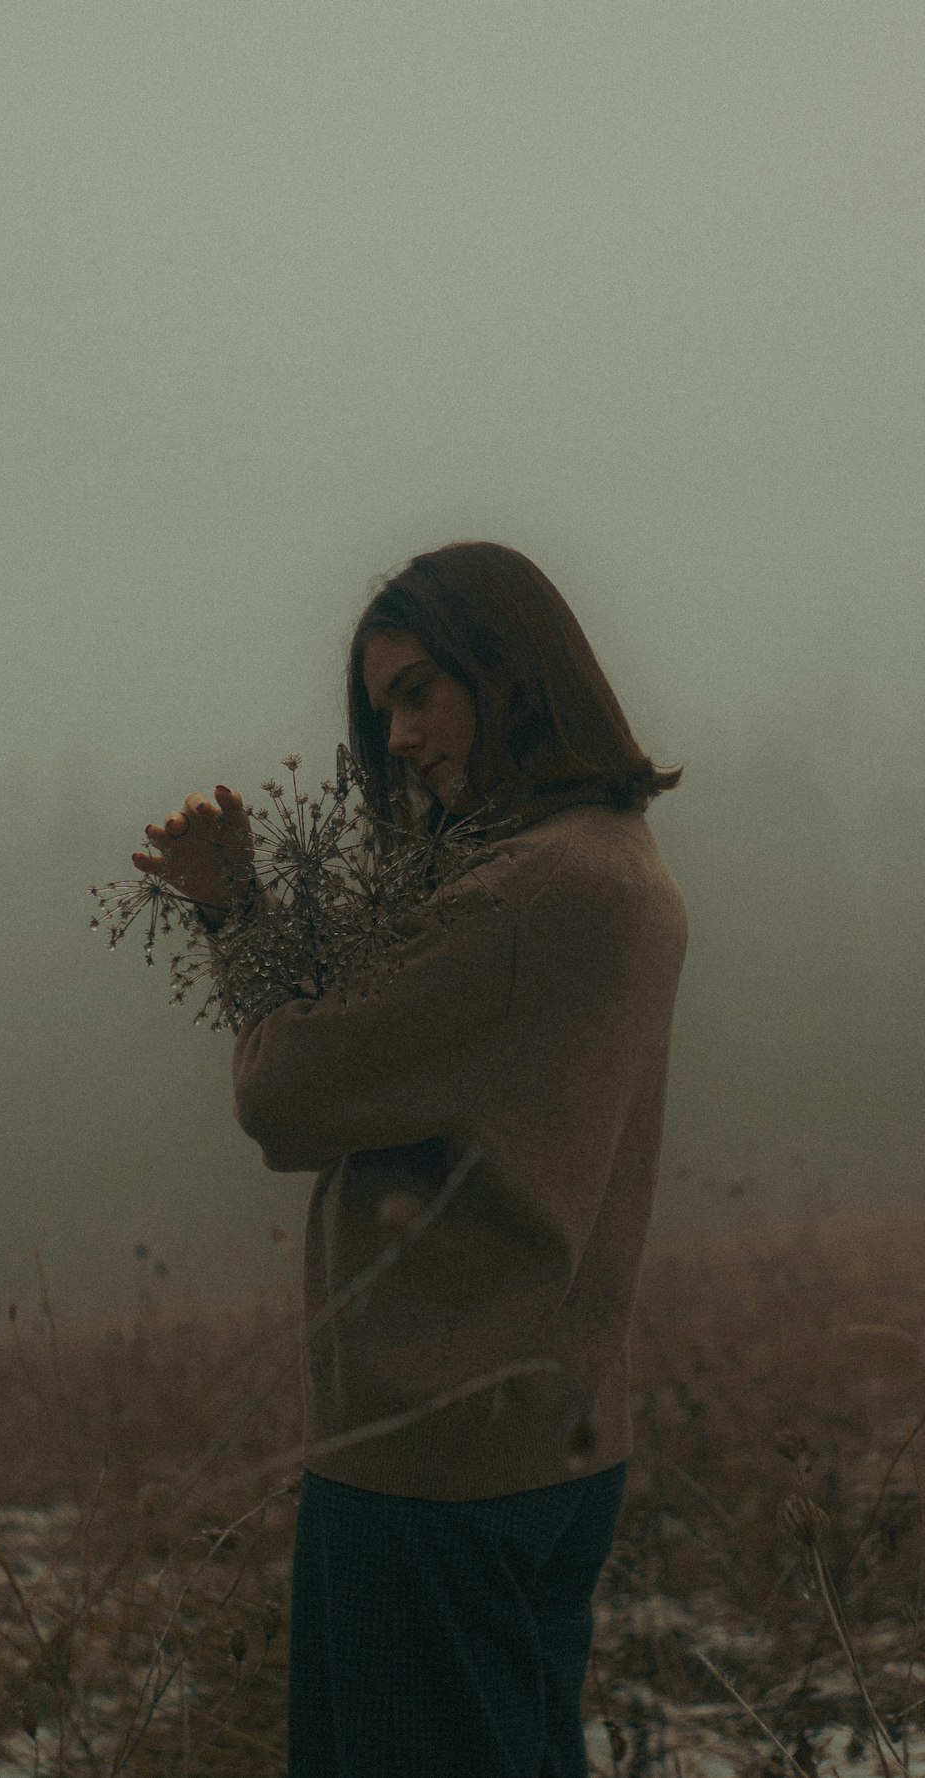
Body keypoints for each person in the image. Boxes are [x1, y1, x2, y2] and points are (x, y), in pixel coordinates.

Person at [133, 541, 689, 1778]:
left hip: (437, 1460)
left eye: (418, 689)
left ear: (514, 672)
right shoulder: (612, 862)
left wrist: (234, 915)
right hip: (540, 1440)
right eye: (378, 704)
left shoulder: (534, 892)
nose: (393, 737)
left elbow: (286, 1091)